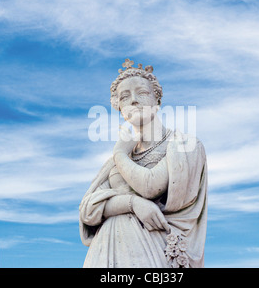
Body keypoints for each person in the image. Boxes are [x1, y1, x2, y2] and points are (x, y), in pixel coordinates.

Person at [79, 59, 208, 268]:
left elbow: (150, 186)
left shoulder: (185, 145)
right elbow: (88, 210)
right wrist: (133, 204)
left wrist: (120, 154)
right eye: (125, 97)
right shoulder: (114, 162)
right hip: (105, 254)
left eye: (142, 93)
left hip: (153, 254)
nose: (134, 101)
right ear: (119, 107)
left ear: (157, 101)